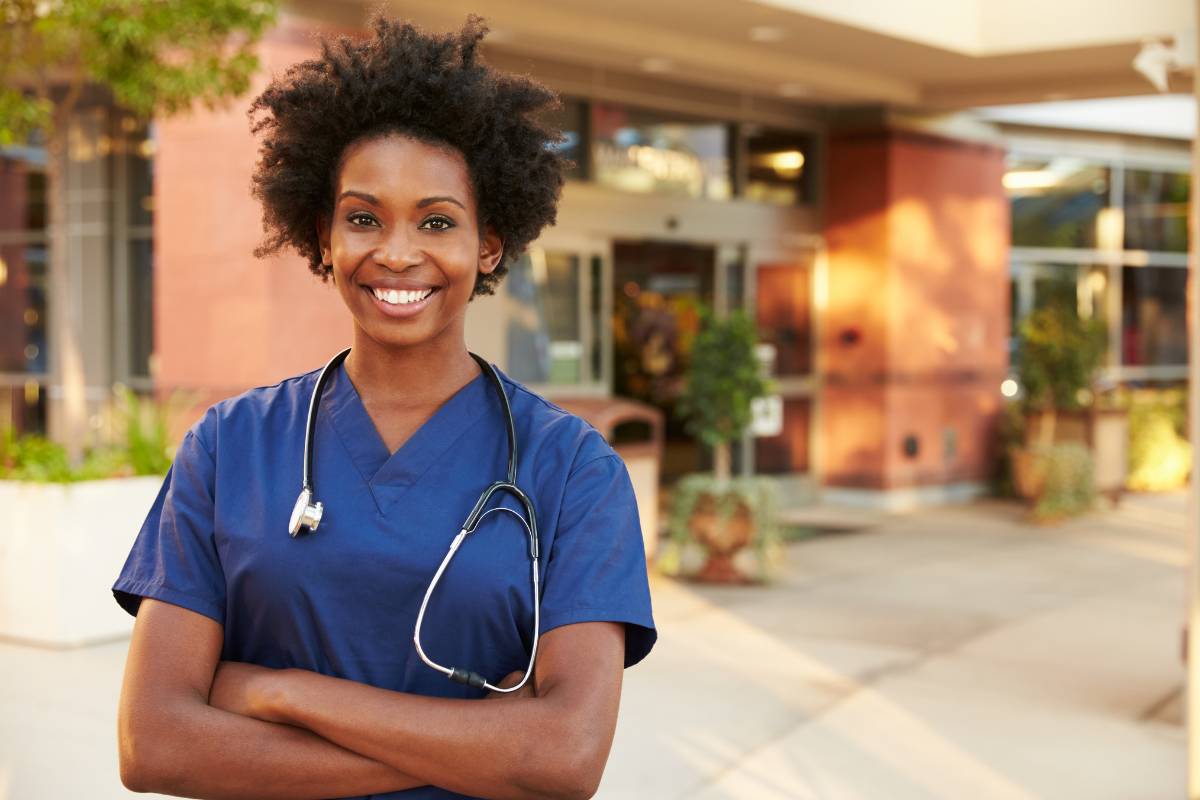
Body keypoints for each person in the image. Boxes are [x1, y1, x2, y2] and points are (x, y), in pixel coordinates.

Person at [111, 14, 656, 800]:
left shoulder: (572, 469)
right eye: (363, 217)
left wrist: (279, 693)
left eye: (438, 221)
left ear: (489, 245)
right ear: (323, 236)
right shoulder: (230, 446)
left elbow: (563, 759)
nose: (397, 253)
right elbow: (153, 743)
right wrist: (485, 744)